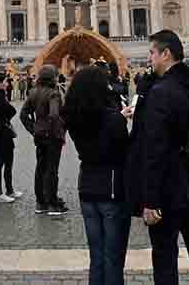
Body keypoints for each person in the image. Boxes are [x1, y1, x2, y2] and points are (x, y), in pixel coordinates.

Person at [126, 30, 189, 285]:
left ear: (166, 54)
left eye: (152, 53)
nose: (149, 59)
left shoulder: (161, 93)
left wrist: (150, 200)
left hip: (167, 191)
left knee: (165, 258)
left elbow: (154, 150)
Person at [64, 65, 132, 285]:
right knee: (113, 256)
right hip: (111, 190)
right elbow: (122, 151)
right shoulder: (113, 120)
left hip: (87, 189)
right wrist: (121, 119)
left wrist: (117, 117)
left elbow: (98, 128)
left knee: (97, 256)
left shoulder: (74, 118)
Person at [20, 65, 68, 216]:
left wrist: (33, 129)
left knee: (40, 168)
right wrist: (59, 128)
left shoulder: (33, 92)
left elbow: (23, 114)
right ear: (53, 77)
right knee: (52, 169)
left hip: (39, 136)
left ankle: (41, 203)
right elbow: (54, 115)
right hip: (53, 136)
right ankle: (53, 204)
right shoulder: (54, 94)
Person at [0, 73, 21, 203]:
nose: (7, 84)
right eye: (6, 81)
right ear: (0, 83)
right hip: (1, 133)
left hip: (0, 132)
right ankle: (0, 193)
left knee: (5, 162)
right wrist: (5, 118)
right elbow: (11, 110)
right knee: (2, 163)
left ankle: (9, 190)